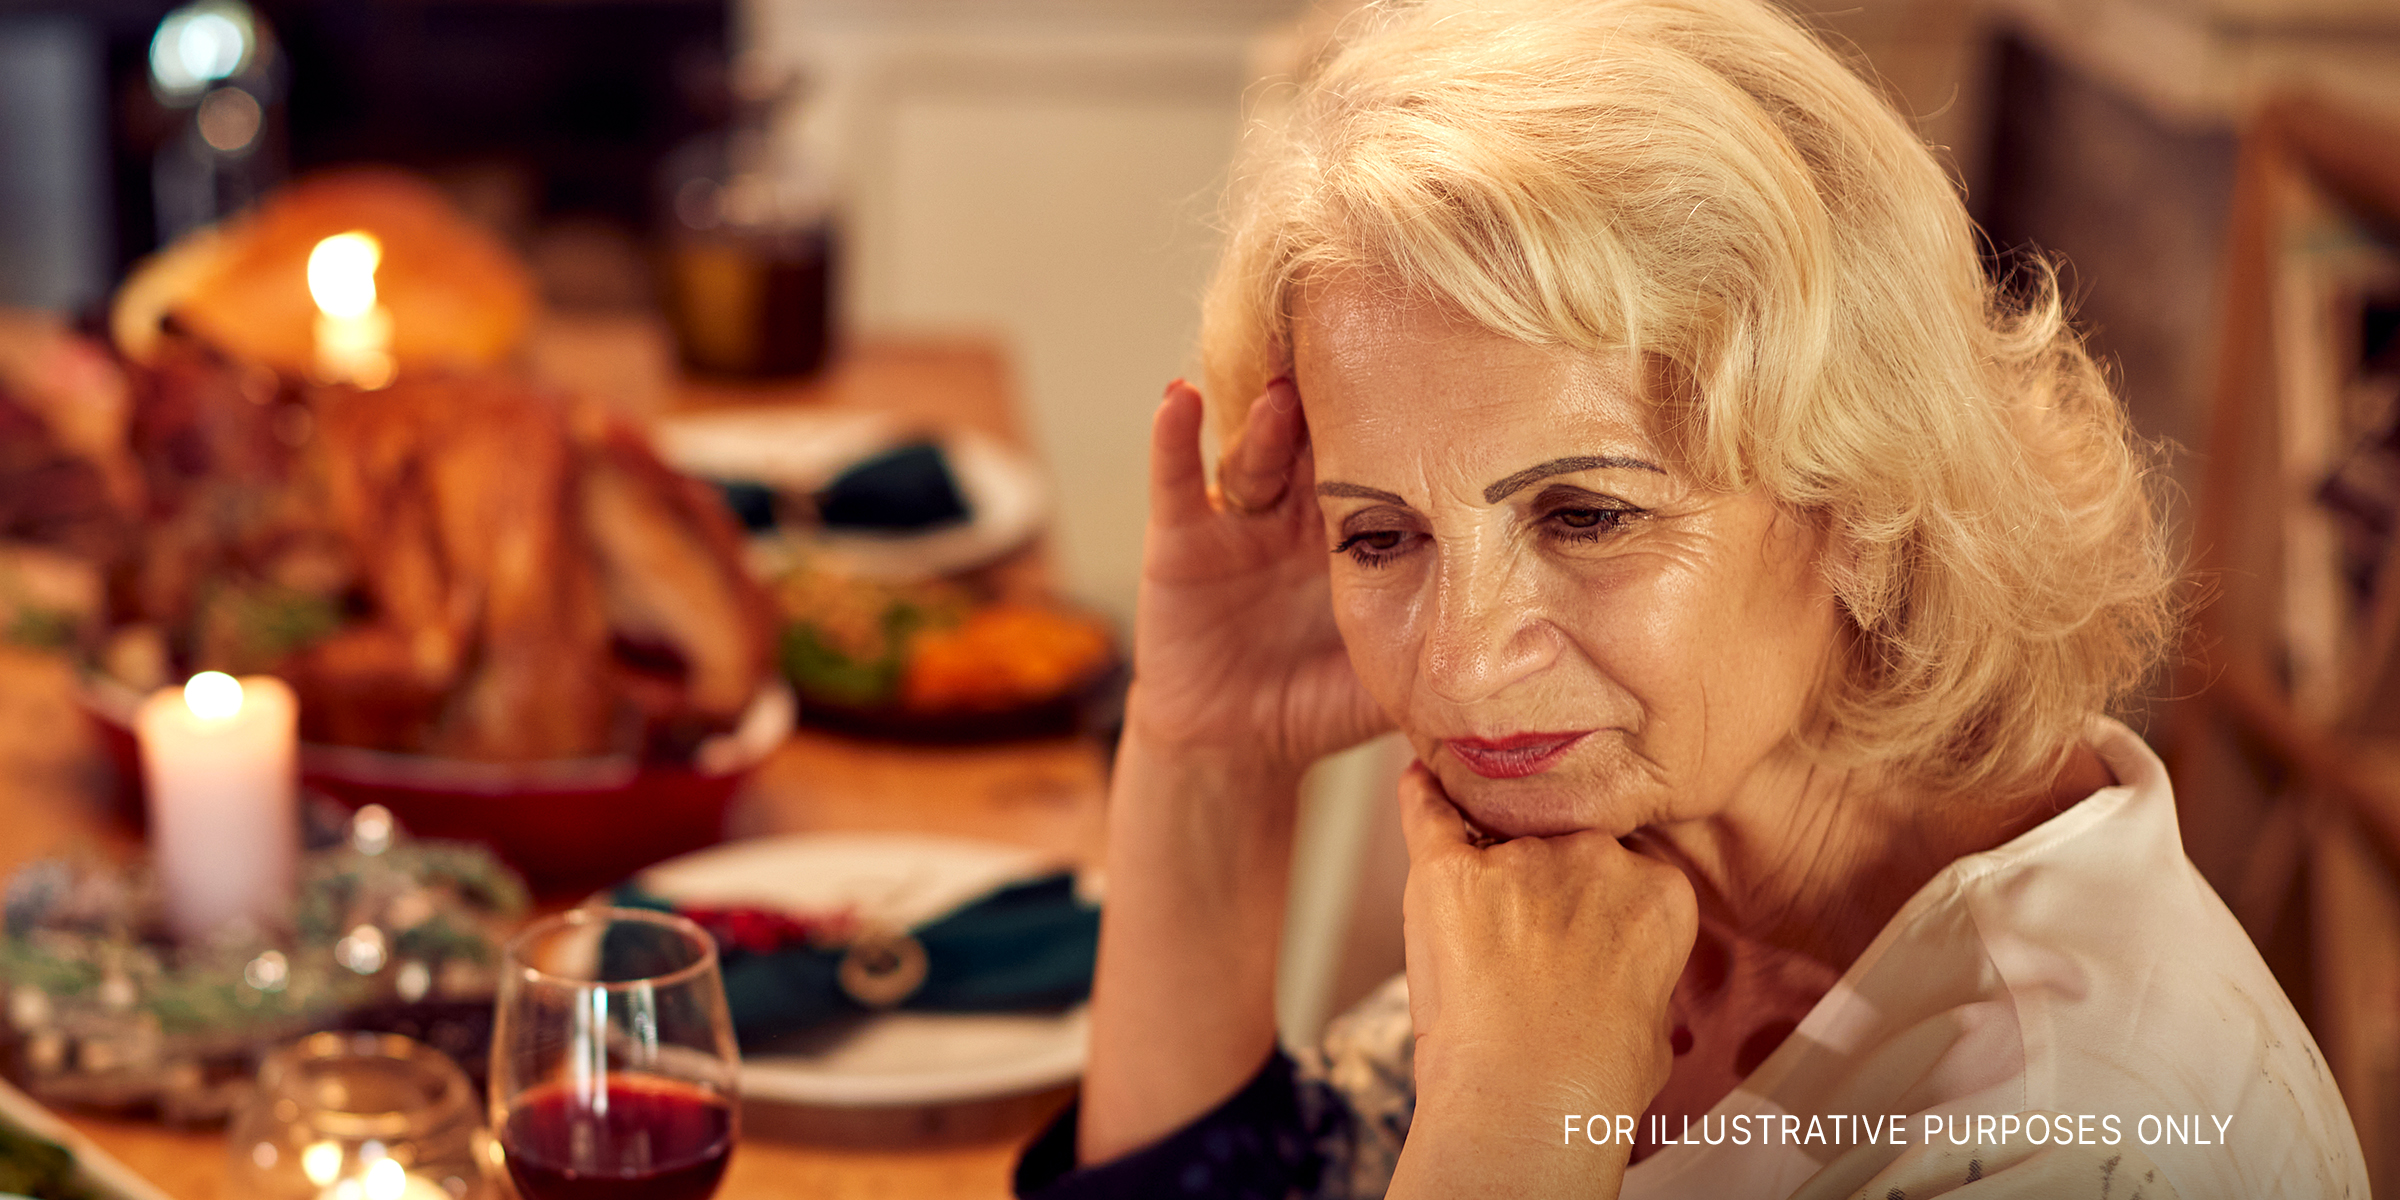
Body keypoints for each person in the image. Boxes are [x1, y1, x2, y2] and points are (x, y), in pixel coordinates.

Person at [1014, 0, 2370, 1195]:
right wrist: (1209, 755)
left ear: (1865, 499)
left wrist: (1516, 1130)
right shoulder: (1623, 872)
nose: (1464, 664)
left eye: (1589, 513)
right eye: (1381, 536)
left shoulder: (2085, 1137)